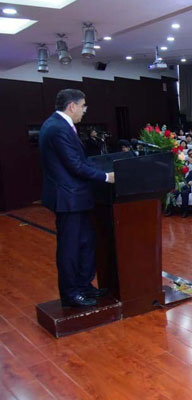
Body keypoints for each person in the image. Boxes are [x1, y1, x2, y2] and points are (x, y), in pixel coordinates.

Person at [39, 89, 115, 307]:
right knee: (70, 248)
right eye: (83, 106)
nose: (84, 110)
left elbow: (79, 160)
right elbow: (74, 165)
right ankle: (71, 293)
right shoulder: (56, 129)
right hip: (68, 198)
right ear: (72, 106)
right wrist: (105, 176)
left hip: (76, 197)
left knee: (85, 242)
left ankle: (83, 286)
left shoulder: (60, 126)